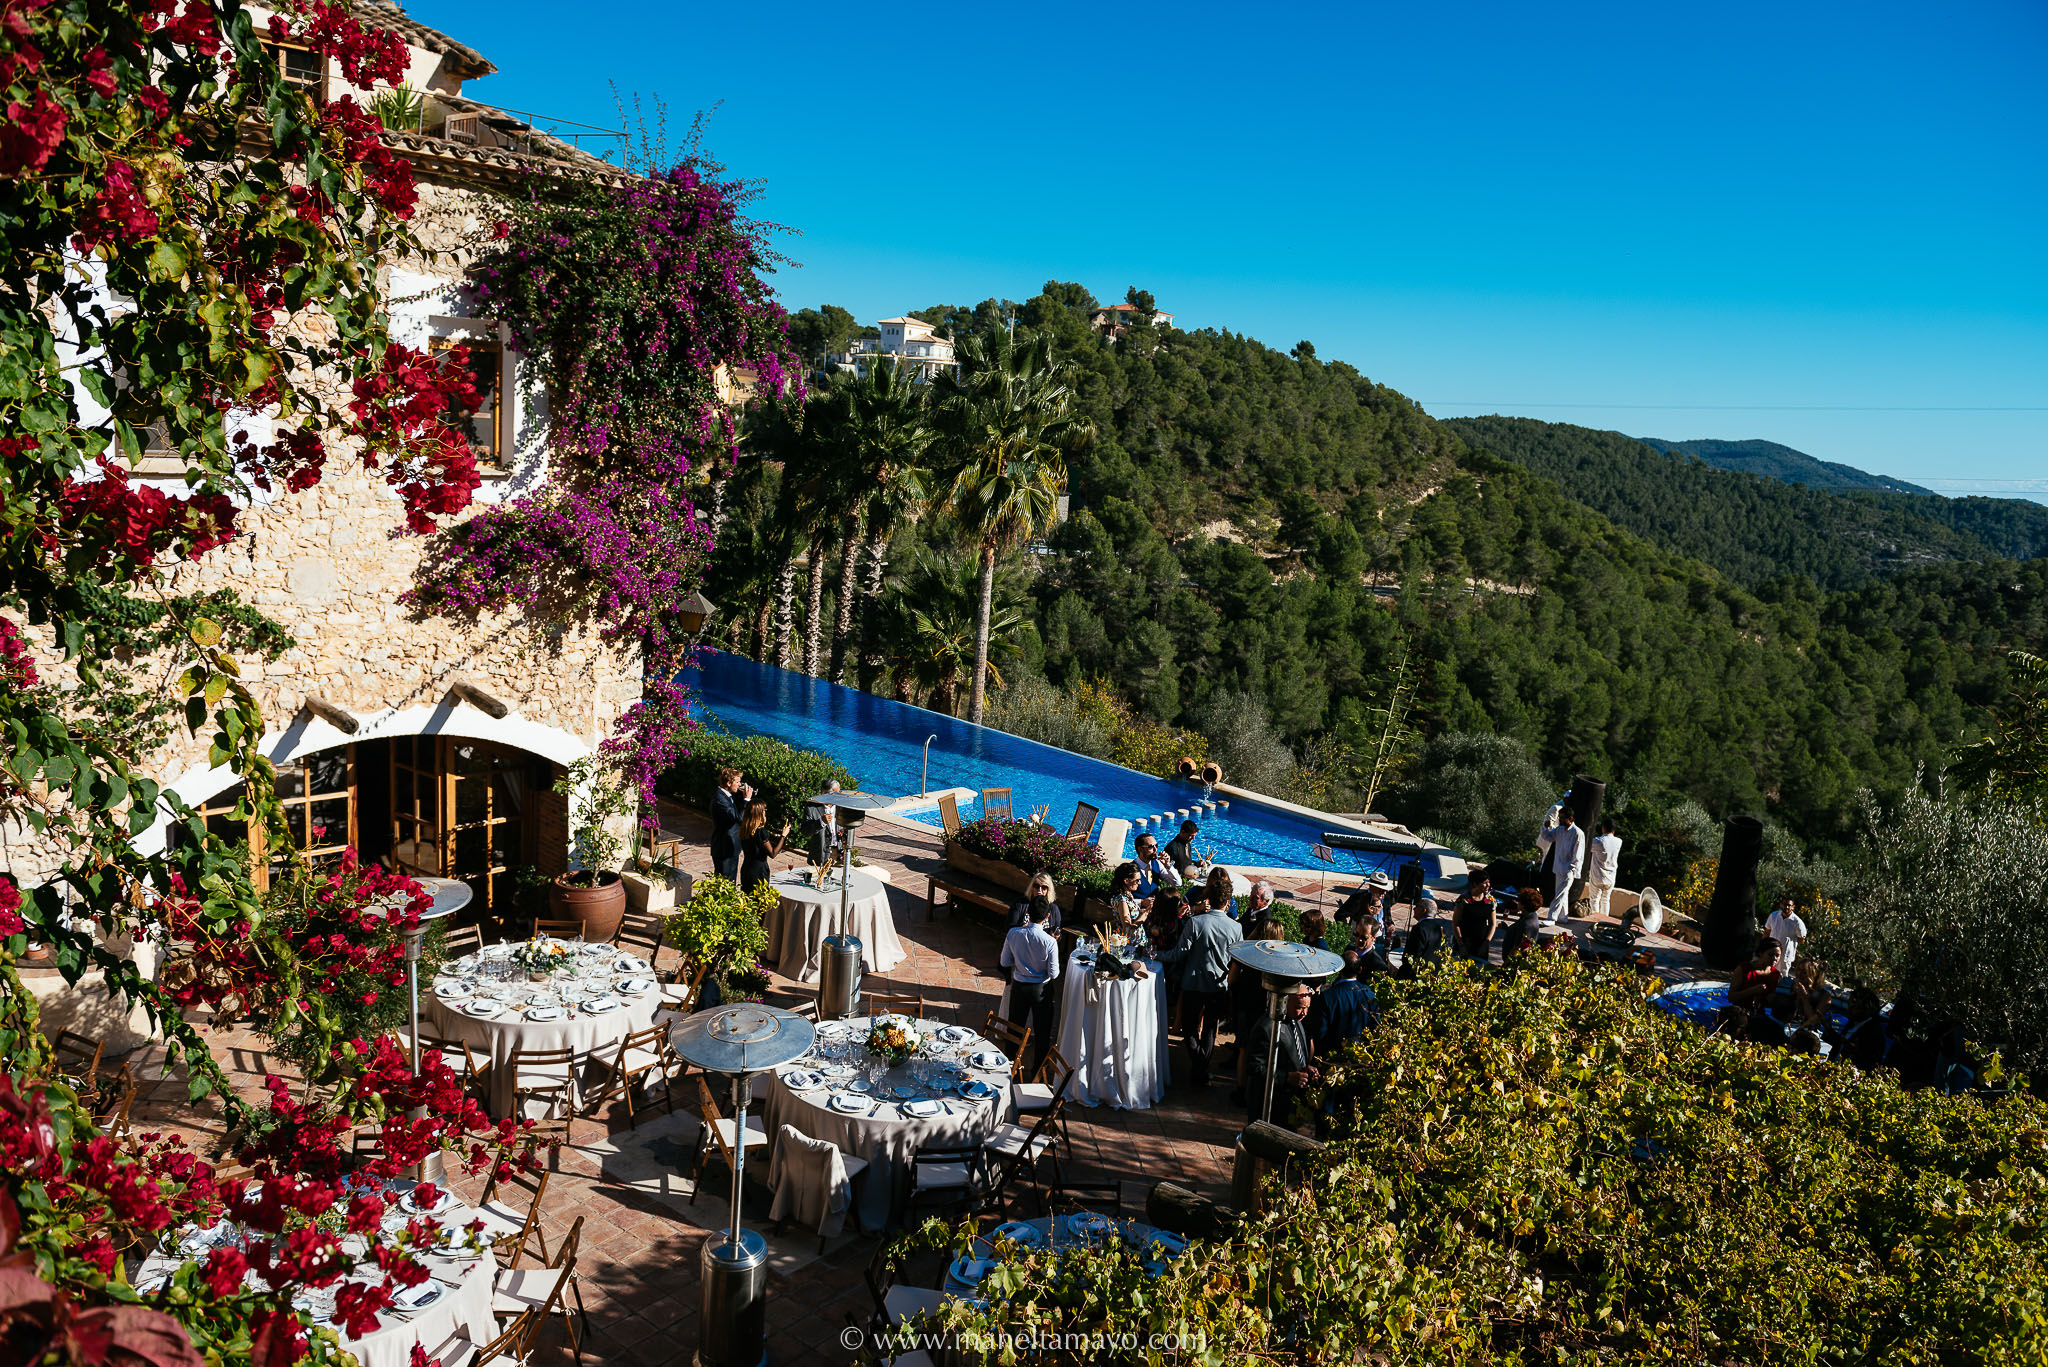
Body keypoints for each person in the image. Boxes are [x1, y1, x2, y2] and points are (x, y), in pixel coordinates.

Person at [1157, 886, 1244, 1087]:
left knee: (1189, 1027)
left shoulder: (1195, 923)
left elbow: (1178, 954)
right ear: (1227, 903)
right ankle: (1201, 1068)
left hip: (1193, 984)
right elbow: (1237, 960)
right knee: (1210, 1029)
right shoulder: (1236, 928)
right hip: (1218, 985)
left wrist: (1155, 955)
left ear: (1209, 900)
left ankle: (1198, 1066)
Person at [999, 897, 1060, 1074]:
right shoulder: (1050, 941)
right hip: (1041, 990)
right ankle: (1038, 1073)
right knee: (1042, 1033)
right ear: (1047, 917)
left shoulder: (1013, 934)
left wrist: (1020, 964)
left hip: (1019, 987)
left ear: (1027, 913)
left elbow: (1004, 962)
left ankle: (1010, 1070)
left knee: (1014, 1030)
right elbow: (1054, 974)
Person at [1229, 923, 1286, 1102]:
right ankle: (1260, 1090)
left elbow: (1231, 978)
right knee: (1265, 1049)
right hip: (1266, 1008)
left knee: (1244, 1048)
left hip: (1246, 1004)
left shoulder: (1246, 953)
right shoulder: (1280, 958)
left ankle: (1241, 1090)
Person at [1247, 981, 1317, 1123]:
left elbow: (1296, 1053)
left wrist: (1305, 1068)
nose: (1304, 1013)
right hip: (1270, 1104)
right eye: (1299, 1008)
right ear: (1286, 1002)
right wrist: (1286, 1077)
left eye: (1307, 1008)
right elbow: (1254, 1066)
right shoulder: (1267, 1027)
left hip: (1290, 1103)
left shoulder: (1297, 1021)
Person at [1308, 958, 1375, 1060]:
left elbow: (1320, 1032)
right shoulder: (1369, 994)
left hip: (1334, 1057)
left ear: (1340, 969)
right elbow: (1375, 1026)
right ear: (1360, 969)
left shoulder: (1327, 997)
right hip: (1363, 1056)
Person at [1535, 804, 1585, 924]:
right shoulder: (1559, 830)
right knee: (1563, 894)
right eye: (1560, 817)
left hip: (1568, 870)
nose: (1560, 820)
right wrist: (1545, 827)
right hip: (1558, 867)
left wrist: (1572, 868)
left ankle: (1551, 918)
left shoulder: (1578, 833)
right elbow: (1548, 837)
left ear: (1570, 819)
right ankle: (1563, 917)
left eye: (1562, 818)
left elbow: (1578, 854)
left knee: (1559, 894)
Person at [737, 800, 787, 892]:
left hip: (746, 869)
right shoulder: (761, 833)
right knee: (760, 898)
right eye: (764, 810)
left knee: (747, 896)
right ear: (760, 814)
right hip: (759, 872)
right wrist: (783, 836)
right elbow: (773, 853)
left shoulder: (745, 829)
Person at [711, 766, 749, 880]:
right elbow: (737, 818)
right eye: (737, 782)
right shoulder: (720, 799)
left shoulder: (727, 796)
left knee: (731, 880)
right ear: (728, 783)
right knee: (725, 881)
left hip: (731, 846)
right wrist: (746, 800)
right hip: (724, 848)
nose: (739, 785)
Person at [1726, 937, 1782, 1015]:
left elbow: (1770, 1002)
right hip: (1740, 1013)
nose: (1774, 958)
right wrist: (1752, 990)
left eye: (1777, 955)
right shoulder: (1744, 969)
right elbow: (1731, 997)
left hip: (1759, 1014)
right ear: (1761, 953)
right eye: (1770, 955)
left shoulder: (1775, 975)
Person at [1401, 893, 1453, 975]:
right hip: (1433, 973)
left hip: (1418, 974)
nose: (1414, 908)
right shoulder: (1440, 928)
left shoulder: (1419, 928)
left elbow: (1413, 954)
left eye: (1417, 906)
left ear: (1423, 910)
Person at [1453, 873, 1497, 963]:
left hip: (1481, 943)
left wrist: (1486, 943)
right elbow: (1455, 923)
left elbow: (1492, 924)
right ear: (1475, 884)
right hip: (1464, 941)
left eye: (1488, 882)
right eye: (1484, 882)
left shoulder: (1490, 900)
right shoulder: (1463, 899)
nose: (1488, 885)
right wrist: (1461, 945)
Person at [1586, 819, 1623, 920]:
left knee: (1594, 900)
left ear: (1603, 828)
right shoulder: (1619, 842)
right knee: (1606, 900)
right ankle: (1604, 922)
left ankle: (1594, 921)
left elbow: (1587, 847)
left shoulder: (1598, 841)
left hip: (1597, 876)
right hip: (1610, 877)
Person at [1764, 894, 1808, 975]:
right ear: (1781, 905)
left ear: (1793, 907)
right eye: (1785, 904)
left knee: (1781, 977)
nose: (1786, 907)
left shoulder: (1797, 922)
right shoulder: (1773, 916)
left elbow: (1801, 939)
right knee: (1766, 973)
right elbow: (1767, 932)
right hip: (1770, 952)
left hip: (1785, 957)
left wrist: (1789, 945)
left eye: (1789, 905)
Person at [803, 779, 843, 867]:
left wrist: (843, 832)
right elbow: (806, 831)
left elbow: (846, 825)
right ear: (826, 794)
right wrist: (821, 822)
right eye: (837, 793)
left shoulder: (842, 806)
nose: (840, 795)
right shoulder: (812, 807)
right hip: (820, 855)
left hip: (838, 853)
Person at [1500, 887, 1544, 962]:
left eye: (1519, 902)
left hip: (1515, 964)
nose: (1517, 903)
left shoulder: (1527, 924)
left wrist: (1506, 965)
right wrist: (1507, 928)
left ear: (1523, 906)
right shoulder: (1528, 916)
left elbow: (1517, 948)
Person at [1131, 832, 1177, 900]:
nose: (1155, 849)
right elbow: (1121, 897)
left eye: (1156, 845)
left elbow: (1177, 883)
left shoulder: (1157, 864)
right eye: (1151, 847)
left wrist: (1168, 866)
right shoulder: (1131, 869)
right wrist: (1141, 902)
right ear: (1140, 849)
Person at [1102, 862, 1144, 931]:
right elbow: (1127, 928)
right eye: (1137, 880)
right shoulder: (1122, 900)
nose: (1139, 883)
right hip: (1130, 938)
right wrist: (1144, 915)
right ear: (1126, 881)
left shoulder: (1127, 894)